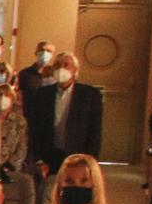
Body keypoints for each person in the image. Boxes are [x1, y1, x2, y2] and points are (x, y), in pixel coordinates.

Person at [27, 50, 104, 185]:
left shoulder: (90, 95)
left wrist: (90, 162)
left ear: (75, 71)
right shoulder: (41, 94)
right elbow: (35, 129)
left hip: (77, 156)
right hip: (49, 156)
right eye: (57, 65)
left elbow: (95, 131)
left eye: (66, 65)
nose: (61, 69)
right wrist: (38, 160)